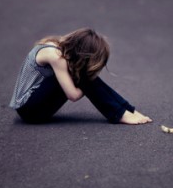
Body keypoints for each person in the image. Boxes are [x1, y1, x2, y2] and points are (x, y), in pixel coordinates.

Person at [9, 28, 152, 125]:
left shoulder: (57, 45)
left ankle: (126, 109)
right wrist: (86, 80)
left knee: (83, 76)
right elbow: (73, 95)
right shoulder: (56, 57)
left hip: (33, 106)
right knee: (84, 77)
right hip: (31, 111)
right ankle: (121, 113)